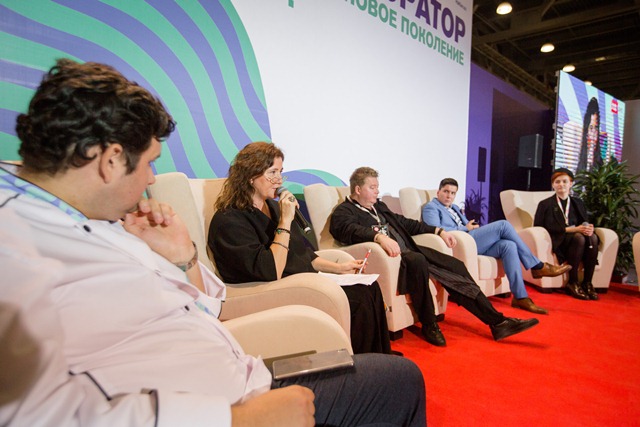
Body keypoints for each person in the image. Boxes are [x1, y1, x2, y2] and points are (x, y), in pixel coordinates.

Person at [0, 59, 426, 426]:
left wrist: (183, 257)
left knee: (384, 371)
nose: (151, 179)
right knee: (398, 381)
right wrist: (238, 419)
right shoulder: (16, 249)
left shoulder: (101, 220)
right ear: (111, 160)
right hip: (223, 407)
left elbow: (209, 306)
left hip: (240, 375)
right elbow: (35, 413)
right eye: (149, 163)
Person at [208, 142, 391, 355]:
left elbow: (301, 255)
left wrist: (340, 268)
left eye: (280, 172)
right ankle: (359, 361)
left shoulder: (273, 207)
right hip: (266, 288)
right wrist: (285, 221)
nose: (279, 180)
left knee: (368, 286)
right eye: (272, 172)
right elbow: (270, 270)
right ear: (250, 176)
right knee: (357, 297)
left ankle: (379, 356)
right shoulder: (229, 219)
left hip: (295, 279)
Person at [330, 167, 540, 347]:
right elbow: (347, 230)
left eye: (377, 186)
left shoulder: (379, 207)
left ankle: (498, 322)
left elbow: (406, 223)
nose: (377, 191)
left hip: (411, 251)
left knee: (455, 266)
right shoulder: (344, 211)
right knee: (418, 260)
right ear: (358, 189)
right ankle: (429, 324)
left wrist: (438, 231)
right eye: (372, 187)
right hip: (394, 261)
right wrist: (377, 237)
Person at [422, 178, 572, 315]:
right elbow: (436, 229)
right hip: (459, 243)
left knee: (509, 245)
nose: (449, 196)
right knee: (503, 225)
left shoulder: (454, 207)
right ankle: (537, 266)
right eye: (446, 191)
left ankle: (520, 297)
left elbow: (466, 225)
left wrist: (471, 226)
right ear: (438, 192)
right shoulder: (431, 207)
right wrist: (465, 228)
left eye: (453, 193)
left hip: (470, 241)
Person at [534, 168, 600, 300]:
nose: (561, 184)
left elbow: (584, 221)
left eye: (564, 181)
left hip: (578, 238)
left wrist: (588, 228)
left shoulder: (578, 203)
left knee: (592, 237)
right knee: (579, 238)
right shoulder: (545, 204)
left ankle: (587, 283)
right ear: (553, 185)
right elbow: (539, 227)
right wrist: (571, 230)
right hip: (558, 240)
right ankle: (573, 282)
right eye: (557, 182)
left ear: (571, 183)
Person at [577, 97, 603, 172]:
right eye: (591, 128)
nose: (594, 133)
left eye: (596, 128)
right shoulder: (579, 155)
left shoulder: (600, 161)